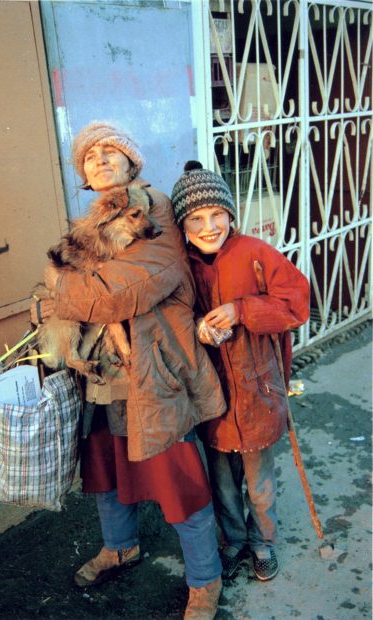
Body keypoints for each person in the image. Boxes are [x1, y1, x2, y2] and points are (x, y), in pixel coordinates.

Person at [31, 123, 226, 619]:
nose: (99, 159)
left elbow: (120, 290)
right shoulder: (88, 224)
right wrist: (49, 300)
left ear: (131, 163)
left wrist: (56, 296)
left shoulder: (152, 209)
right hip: (100, 376)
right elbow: (52, 287)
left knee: (179, 479)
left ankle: (205, 580)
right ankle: (120, 546)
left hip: (154, 373)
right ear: (84, 175)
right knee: (107, 474)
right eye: (89, 155)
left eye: (110, 150)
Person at [170, 161, 310, 582]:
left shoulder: (254, 253)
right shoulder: (182, 265)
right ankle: (233, 539)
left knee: (258, 481)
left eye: (217, 214)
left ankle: (262, 540)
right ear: (183, 224)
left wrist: (242, 310)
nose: (209, 226)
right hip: (210, 394)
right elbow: (175, 316)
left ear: (231, 214)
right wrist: (197, 327)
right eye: (196, 218)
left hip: (258, 388)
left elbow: (296, 305)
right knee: (222, 480)